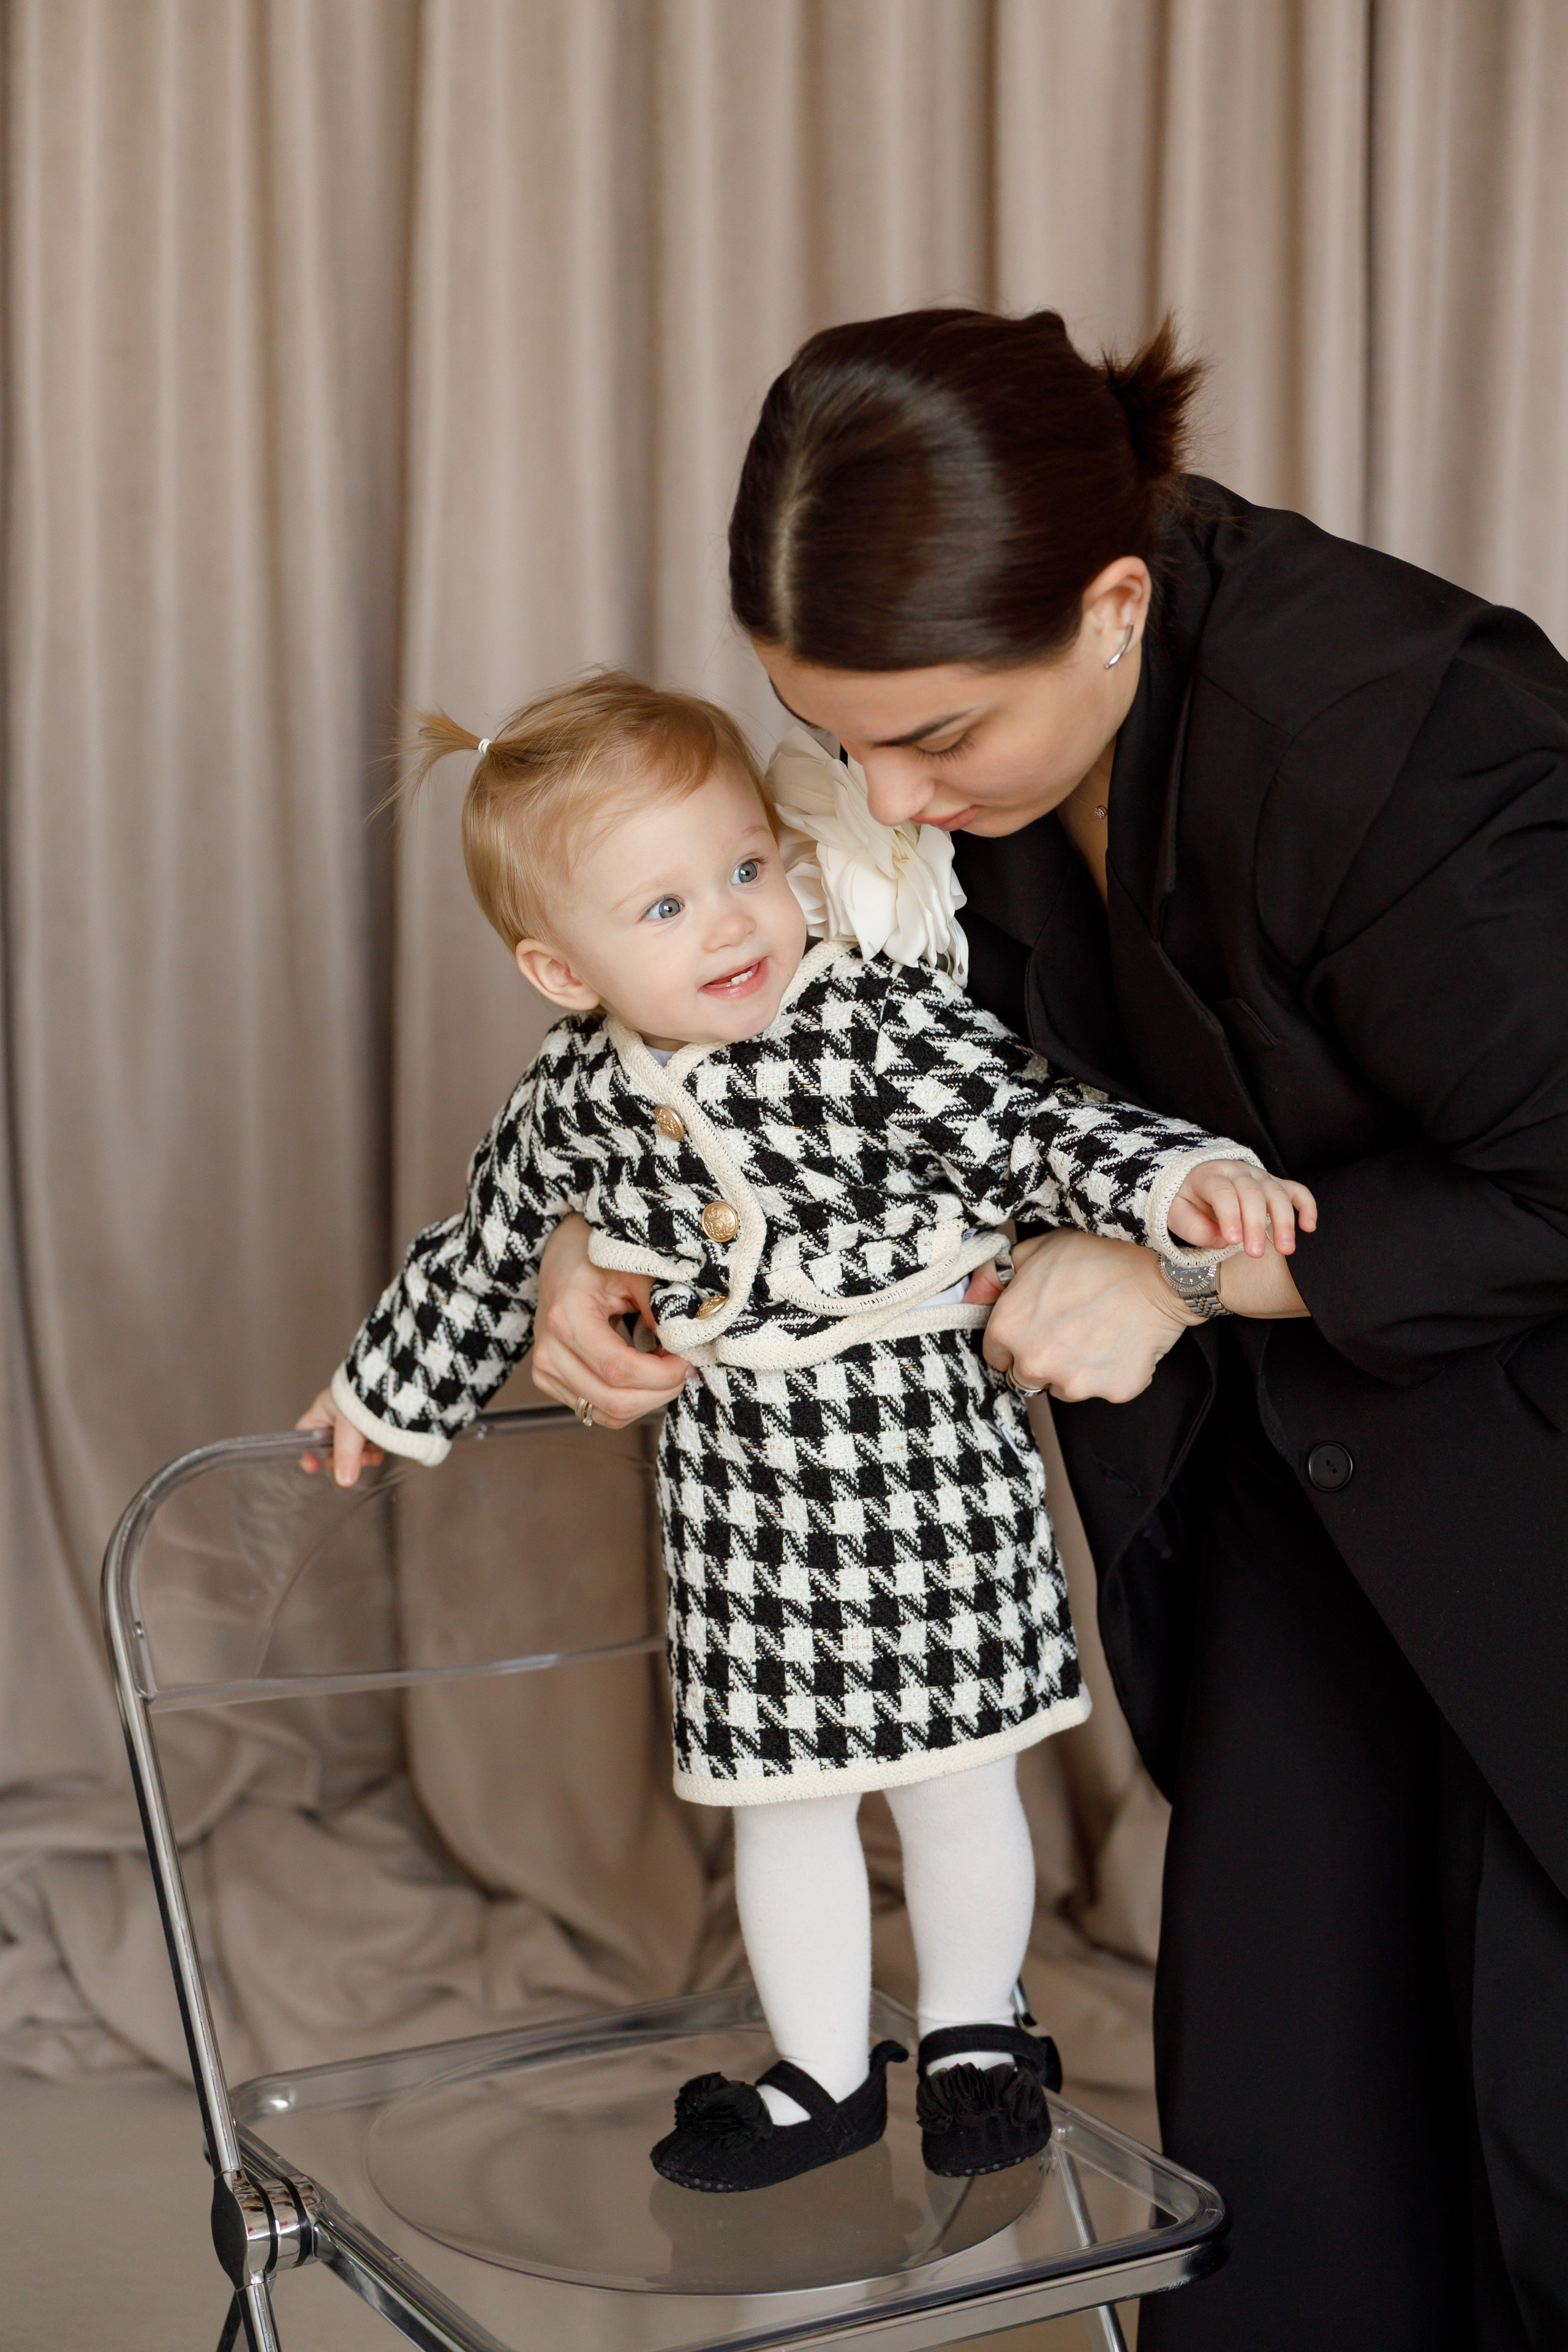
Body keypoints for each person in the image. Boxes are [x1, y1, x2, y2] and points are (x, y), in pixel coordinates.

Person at [531, 309, 1568, 2346]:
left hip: (1524, 1478)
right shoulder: (916, 761)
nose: (886, 802)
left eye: (936, 741)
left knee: (1538, 2121)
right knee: (1291, 2151)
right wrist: (599, 1222)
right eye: (832, 736)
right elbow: (813, 1042)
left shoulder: (1404, 726)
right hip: (1281, 1477)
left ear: (1114, 606)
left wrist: (1188, 1270)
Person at [298, 668, 1309, 2195]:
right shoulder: (567, 1102)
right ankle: (823, 2070)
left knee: (960, 1776)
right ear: (557, 970)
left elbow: (1027, 1116)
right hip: (739, 1499)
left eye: (747, 869)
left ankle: (976, 2029)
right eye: (661, 909)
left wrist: (1172, 1189)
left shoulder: (862, 1020)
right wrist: (383, 1387)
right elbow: (486, 1246)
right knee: (780, 1802)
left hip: (923, 1458)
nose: (729, 922)